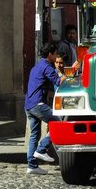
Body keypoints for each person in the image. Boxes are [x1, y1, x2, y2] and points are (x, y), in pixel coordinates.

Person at [25, 42, 66, 175]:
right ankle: (41, 149)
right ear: (50, 54)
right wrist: (68, 76)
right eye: (55, 54)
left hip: (29, 105)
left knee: (34, 134)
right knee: (59, 124)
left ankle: (32, 165)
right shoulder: (47, 67)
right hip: (38, 104)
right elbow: (58, 82)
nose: (56, 56)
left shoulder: (37, 66)